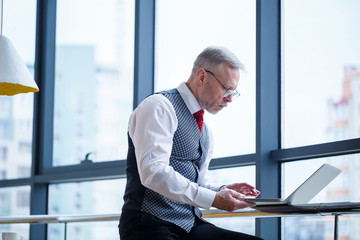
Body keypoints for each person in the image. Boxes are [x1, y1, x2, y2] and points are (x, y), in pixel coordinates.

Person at [119, 46, 263, 240]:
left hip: (189, 225)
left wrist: (222, 191)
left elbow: (200, 182)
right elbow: (153, 172)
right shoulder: (159, 106)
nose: (229, 99)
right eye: (226, 89)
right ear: (202, 76)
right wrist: (214, 199)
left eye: (233, 92)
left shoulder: (205, 132)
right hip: (149, 225)